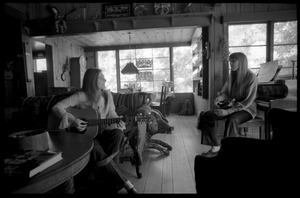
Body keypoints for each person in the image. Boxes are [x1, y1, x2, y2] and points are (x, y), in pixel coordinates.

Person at [52, 68, 138, 194]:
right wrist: (74, 119)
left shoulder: (107, 95)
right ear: (93, 80)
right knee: (95, 148)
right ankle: (126, 184)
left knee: (118, 133)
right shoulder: (81, 96)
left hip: (102, 131)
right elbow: (57, 107)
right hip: (87, 136)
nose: (105, 79)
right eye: (101, 77)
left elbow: (112, 113)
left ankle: (107, 176)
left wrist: (117, 120)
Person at [198, 52, 258, 157]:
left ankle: (229, 152)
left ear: (242, 62)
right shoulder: (232, 75)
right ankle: (215, 148)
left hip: (247, 109)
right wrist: (219, 98)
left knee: (232, 120)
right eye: (230, 61)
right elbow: (225, 92)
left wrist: (227, 111)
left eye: (234, 61)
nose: (231, 63)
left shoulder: (251, 77)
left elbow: (247, 101)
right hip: (233, 106)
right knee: (206, 116)